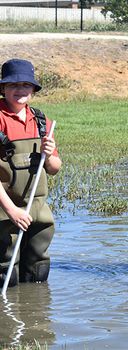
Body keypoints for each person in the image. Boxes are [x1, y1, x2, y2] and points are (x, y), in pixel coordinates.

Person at [0, 58, 61, 287]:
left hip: (38, 210)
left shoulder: (42, 120)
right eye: (13, 85)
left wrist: (50, 154)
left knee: (38, 271)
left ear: (33, 90)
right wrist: (11, 211)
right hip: (5, 211)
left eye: (26, 85)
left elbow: (54, 169)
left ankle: (35, 315)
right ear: (3, 88)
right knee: (7, 272)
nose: (20, 90)